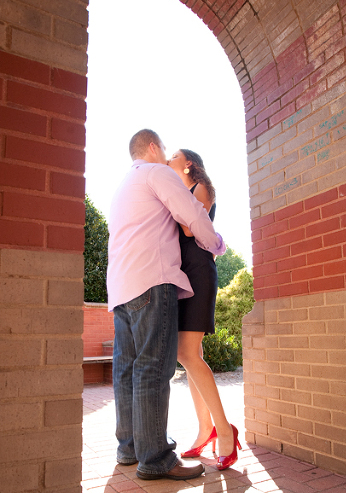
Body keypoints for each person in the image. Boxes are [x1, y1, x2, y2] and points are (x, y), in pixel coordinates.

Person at [107, 129, 226, 481]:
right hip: (152, 281)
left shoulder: (122, 187)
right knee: (153, 370)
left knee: (126, 371)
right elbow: (192, 215)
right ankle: (156, 456)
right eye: (165, 150)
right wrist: (216, 243)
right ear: (154, 148)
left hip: (120, 288)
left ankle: (129, 448)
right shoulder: (156, 172)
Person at [167, 149, 241, 470]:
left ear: (189, 164)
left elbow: (188, 229)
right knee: (188, 355)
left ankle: (224, 432)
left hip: (199, 271)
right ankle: (205, 431)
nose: (169, 161)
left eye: (174, 157)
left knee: (188, 354)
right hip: (184, 275)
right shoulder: (180, 193)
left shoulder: (201, 188)